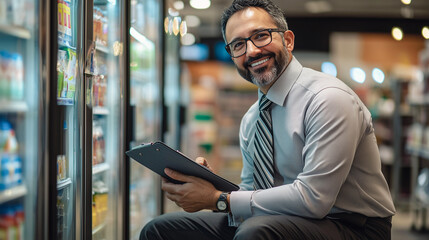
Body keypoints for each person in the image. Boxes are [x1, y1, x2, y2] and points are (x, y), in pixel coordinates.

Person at [140, 0, 396, 239]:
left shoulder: (328, 99)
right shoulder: (253, 118)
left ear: (288, 40)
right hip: (282, 219)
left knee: (254, 232)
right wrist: (210, 185)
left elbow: (314, 199)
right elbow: (253, 190)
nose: (251, 51)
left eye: (260, 36)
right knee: (161, 230)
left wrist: (219, 199)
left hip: (354, 225)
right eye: (238, 45)